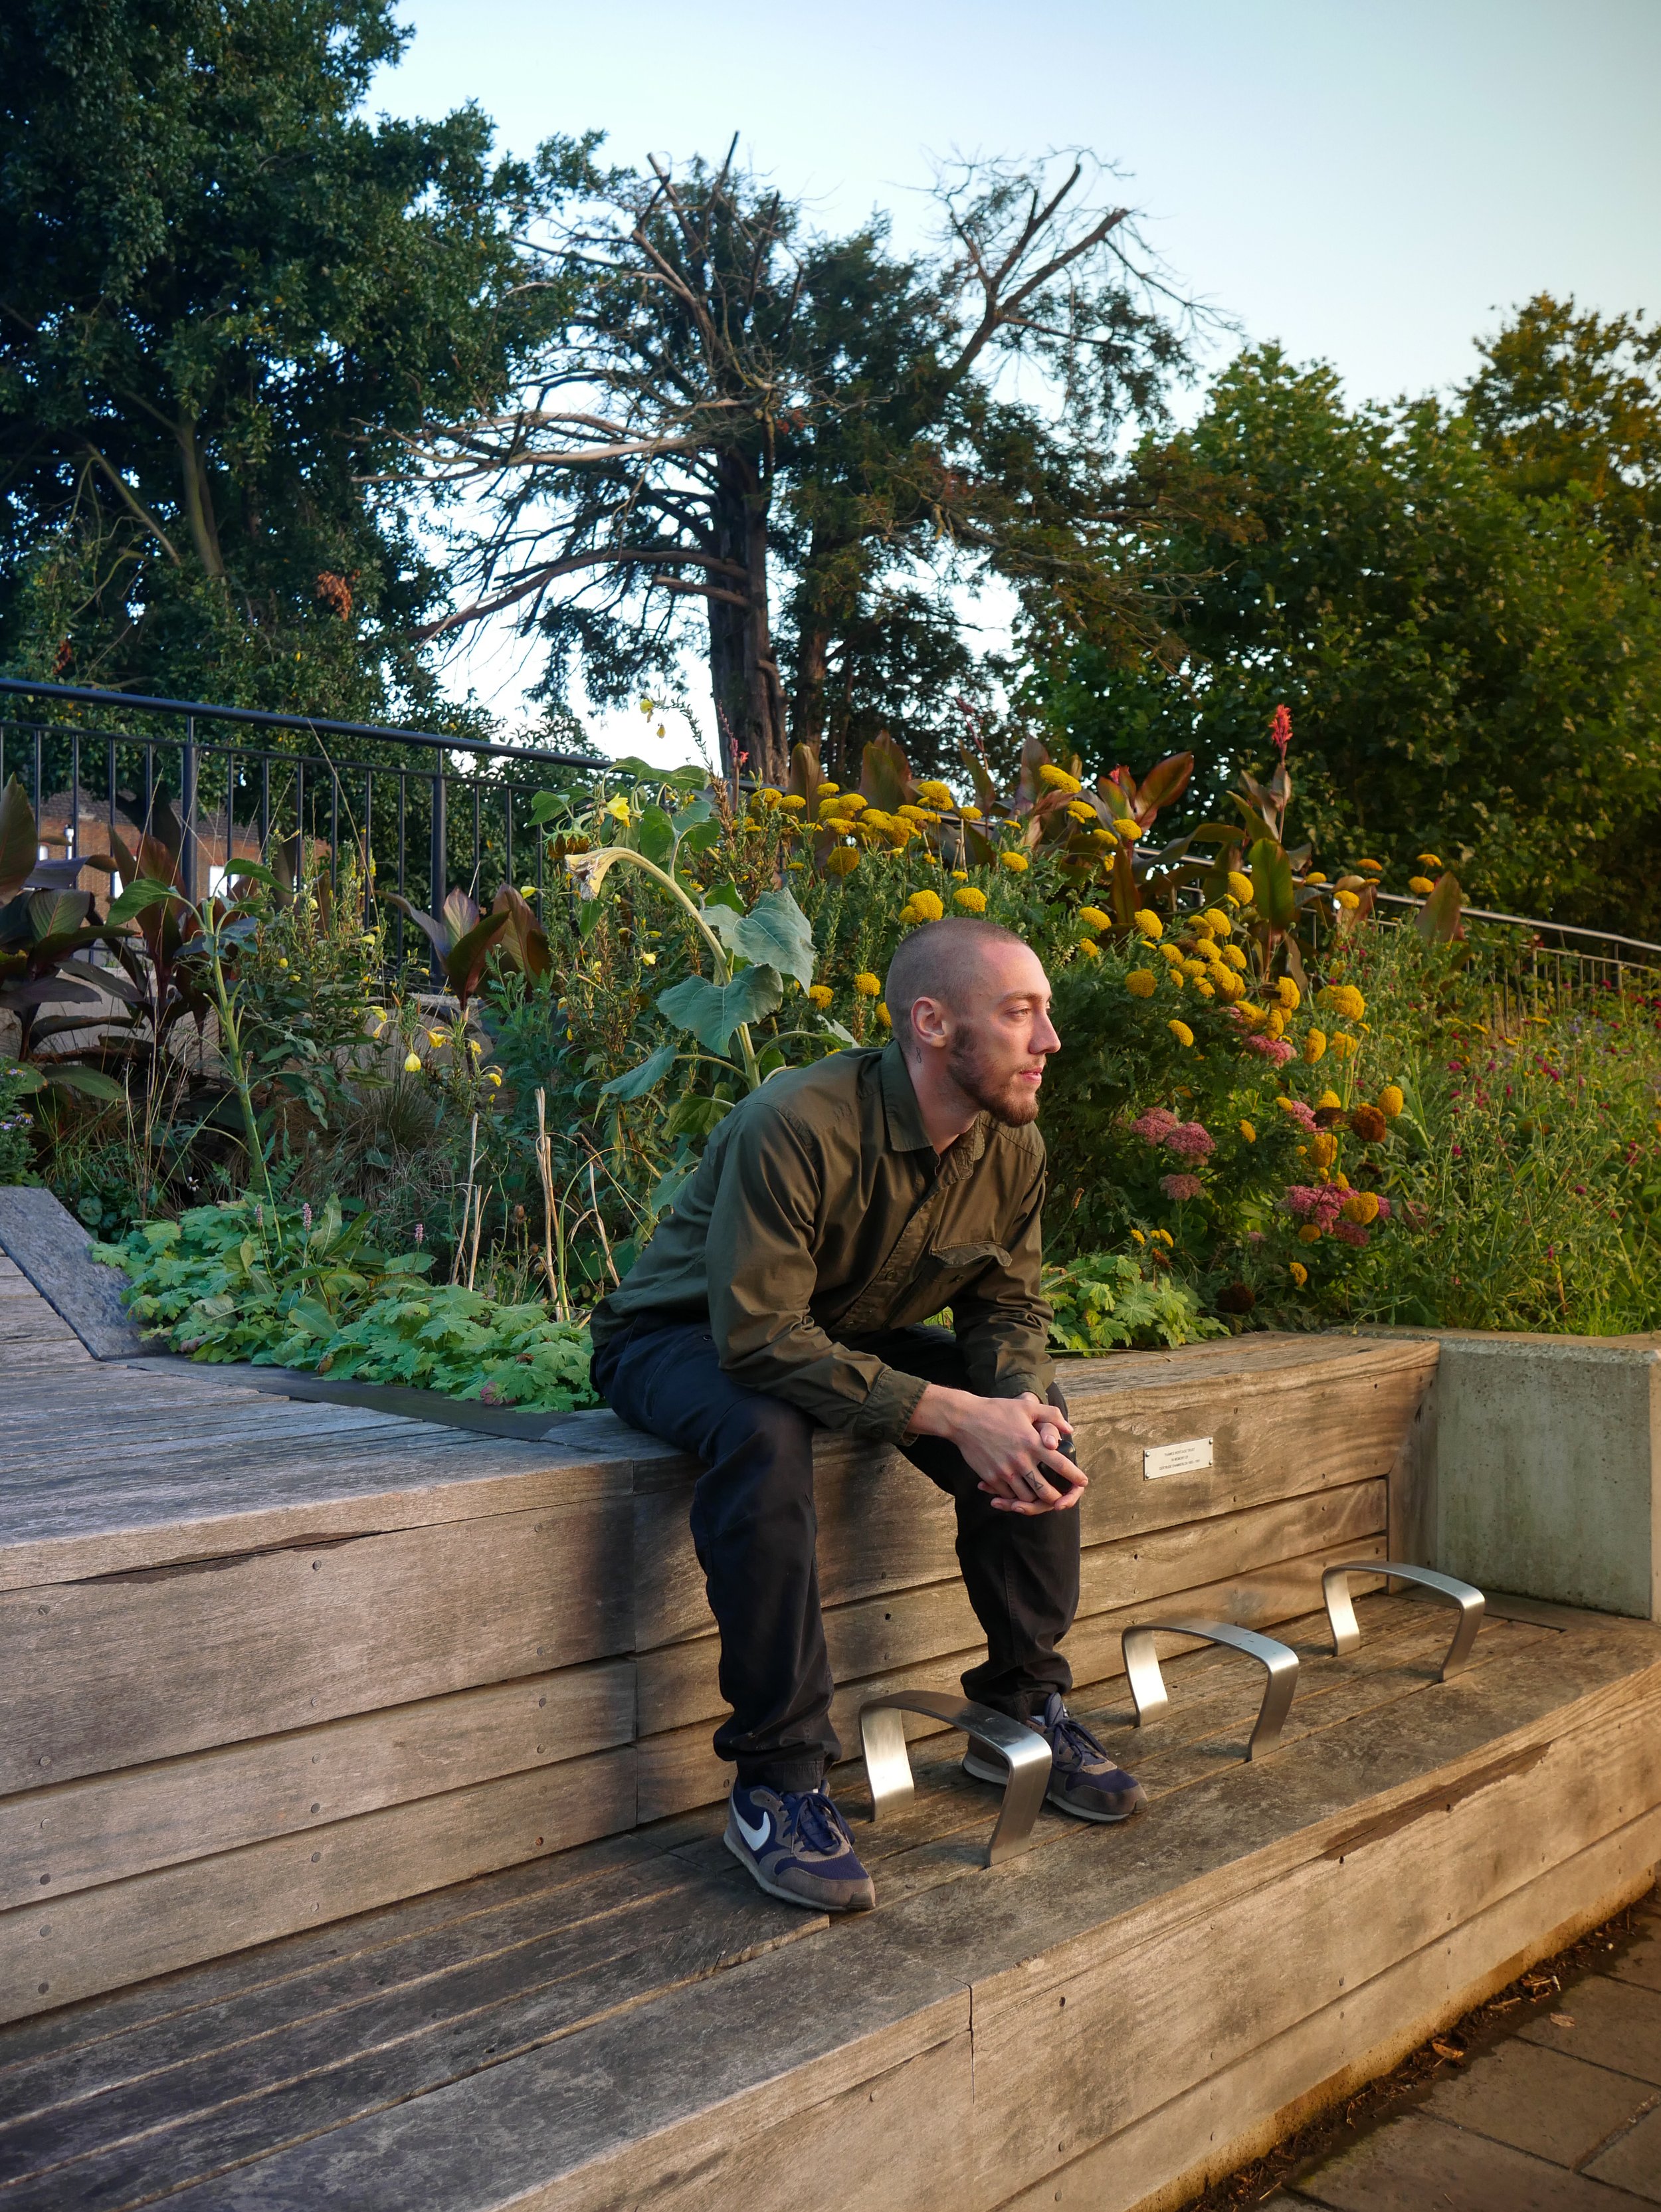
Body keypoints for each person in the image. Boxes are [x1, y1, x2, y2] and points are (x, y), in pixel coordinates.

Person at [589, 916, 1144, 1913]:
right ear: (933, 1023)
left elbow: (1007, 1306)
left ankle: (1025, 1705)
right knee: (764, 1430)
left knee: (1038, 1420)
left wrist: (1009, 1410)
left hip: (845, 1328)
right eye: (1021, 1013)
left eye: (1046, 1013)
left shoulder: (1011, 1147)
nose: (1049, 1041)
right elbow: (757, 1338)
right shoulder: (796, 1121)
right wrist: (942, 1412)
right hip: (684, 1339)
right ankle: (778, 1779)